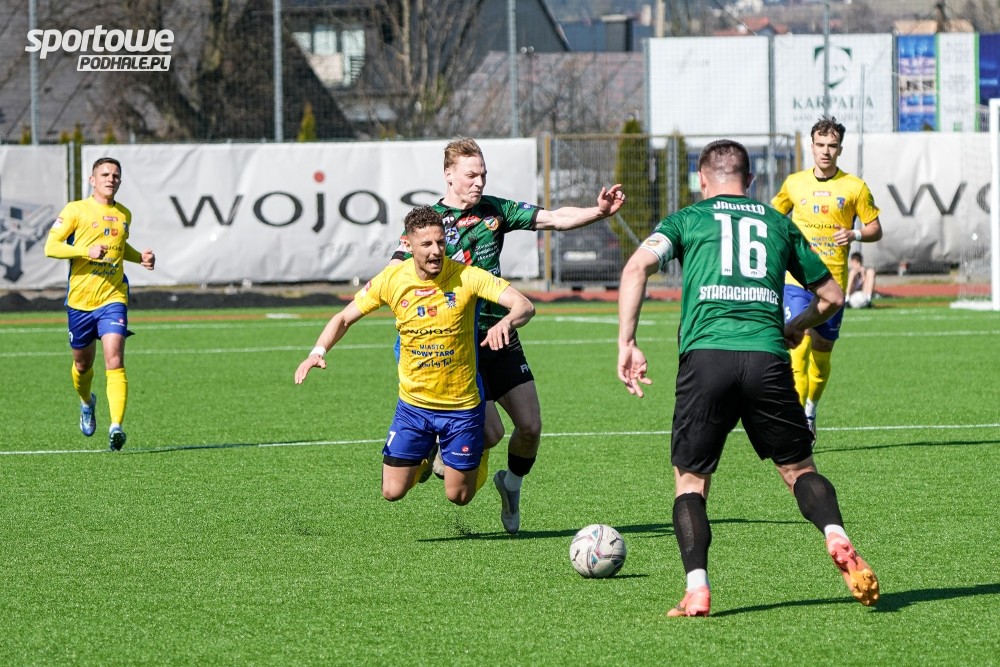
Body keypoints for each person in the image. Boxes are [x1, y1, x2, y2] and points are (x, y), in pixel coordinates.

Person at [617, 139, 879, 617]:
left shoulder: (686, 219)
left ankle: (697, 588)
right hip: (767, 358)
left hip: (706, 359)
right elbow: (833, 296)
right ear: (751, 180)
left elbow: (636, 267)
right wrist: (795, 326)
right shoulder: (779, 223)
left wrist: (627, 342)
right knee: (799, 471)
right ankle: (835, 533)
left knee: (691, 482)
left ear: (702, 179)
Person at [389, 137, 626, 533]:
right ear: (448, 175)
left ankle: (510, 484)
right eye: (471, 175)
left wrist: (599, 212)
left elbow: (554, 218)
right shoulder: (432, 225)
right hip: (458, 345)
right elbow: (396, 271)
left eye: (483, 174)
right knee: (491, 432)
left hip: (501, 333)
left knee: (530, 427)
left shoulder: (494, 211)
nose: (479, 181)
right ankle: (434, 448)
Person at [296, 206, 535, 506]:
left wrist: (506, 322)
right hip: (414, 407)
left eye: (441, 242)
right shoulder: (392, 279)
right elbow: (344, 318)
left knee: (459, 496)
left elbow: (524, 305)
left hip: (461, 407)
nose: (436, 251)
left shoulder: (467, 276)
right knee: (392, 491)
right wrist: (316, 352)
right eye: (427, 244)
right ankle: (425, 453)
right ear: (408, 245)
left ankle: (477, 451)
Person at [771, 115, 883, 434]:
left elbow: (875, 228)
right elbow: (773, 217)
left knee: (820, 358)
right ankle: (795, 424)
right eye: (820, 144)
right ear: (811, 146)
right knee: (797, 348)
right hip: (797, 280)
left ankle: (810, 409)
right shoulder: (794, 183)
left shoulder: (855, 187)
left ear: (840, 149)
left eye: (832, 146)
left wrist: (854, 234)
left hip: (832, 285)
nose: (825, 151)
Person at [44, 157, 155, 451]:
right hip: (80, 302)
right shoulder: (75, 210)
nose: (110, 179)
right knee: (82, 366)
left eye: (115, 175)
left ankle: (116, 426)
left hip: (113, 297)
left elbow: (119, 247)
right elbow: (51, 247)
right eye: (104, 174)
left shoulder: (124, 214)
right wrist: (85, 251)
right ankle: (86, 402)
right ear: (92, 180)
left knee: (114, 359)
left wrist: (140, 258)